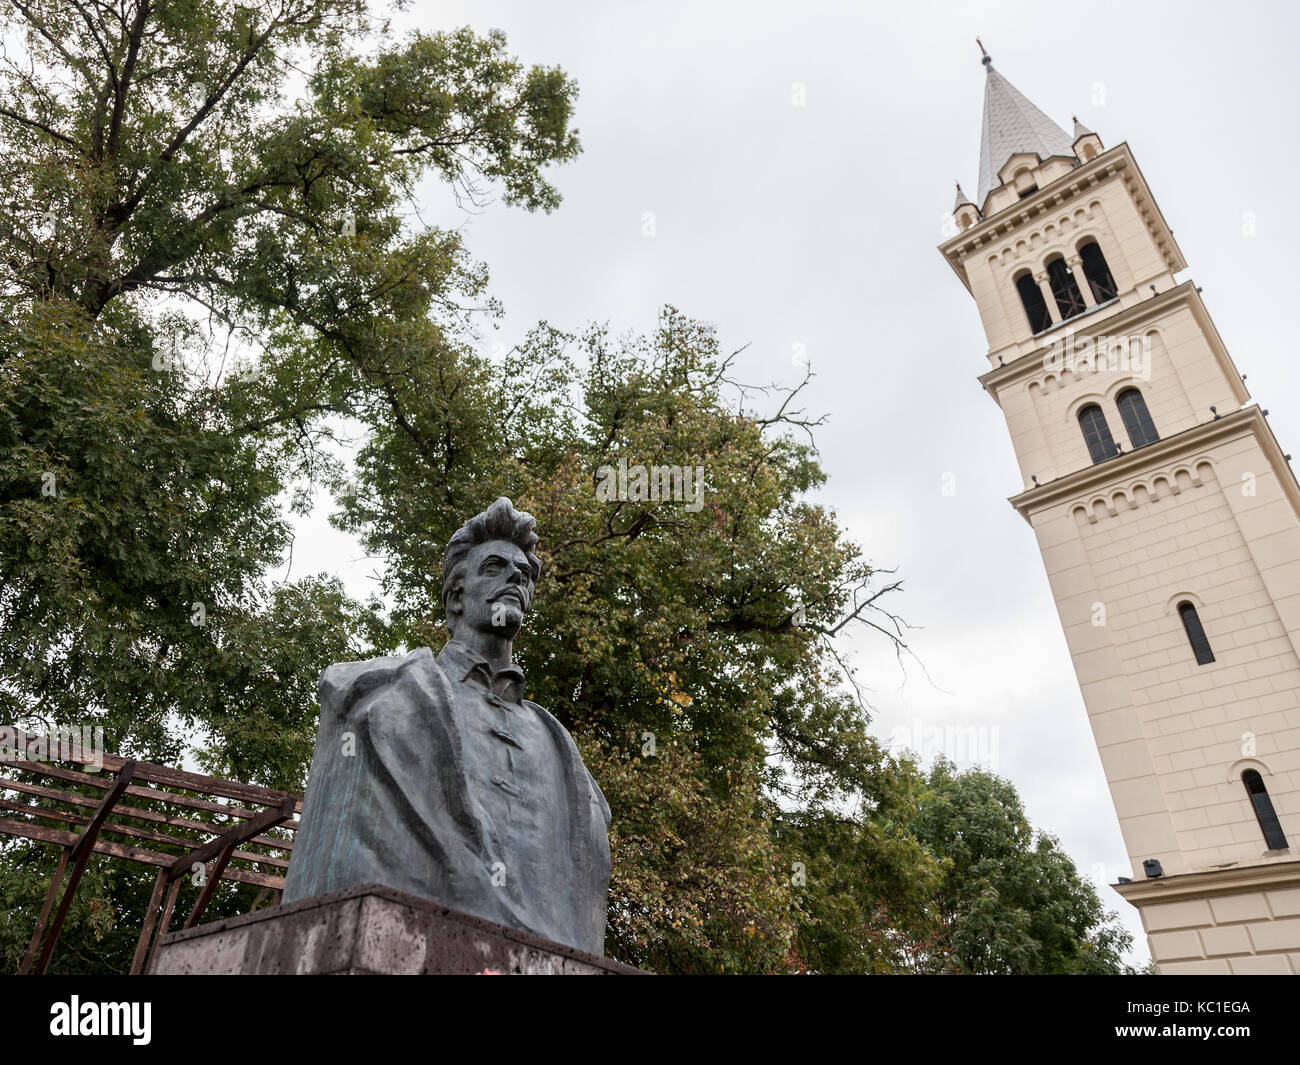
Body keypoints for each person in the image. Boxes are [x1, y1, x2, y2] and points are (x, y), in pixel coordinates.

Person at [283, 497, 612, 956]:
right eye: (495, 567)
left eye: (524, 573)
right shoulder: (376, 694)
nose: (515, 576)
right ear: (457, 595)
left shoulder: (558, 745)